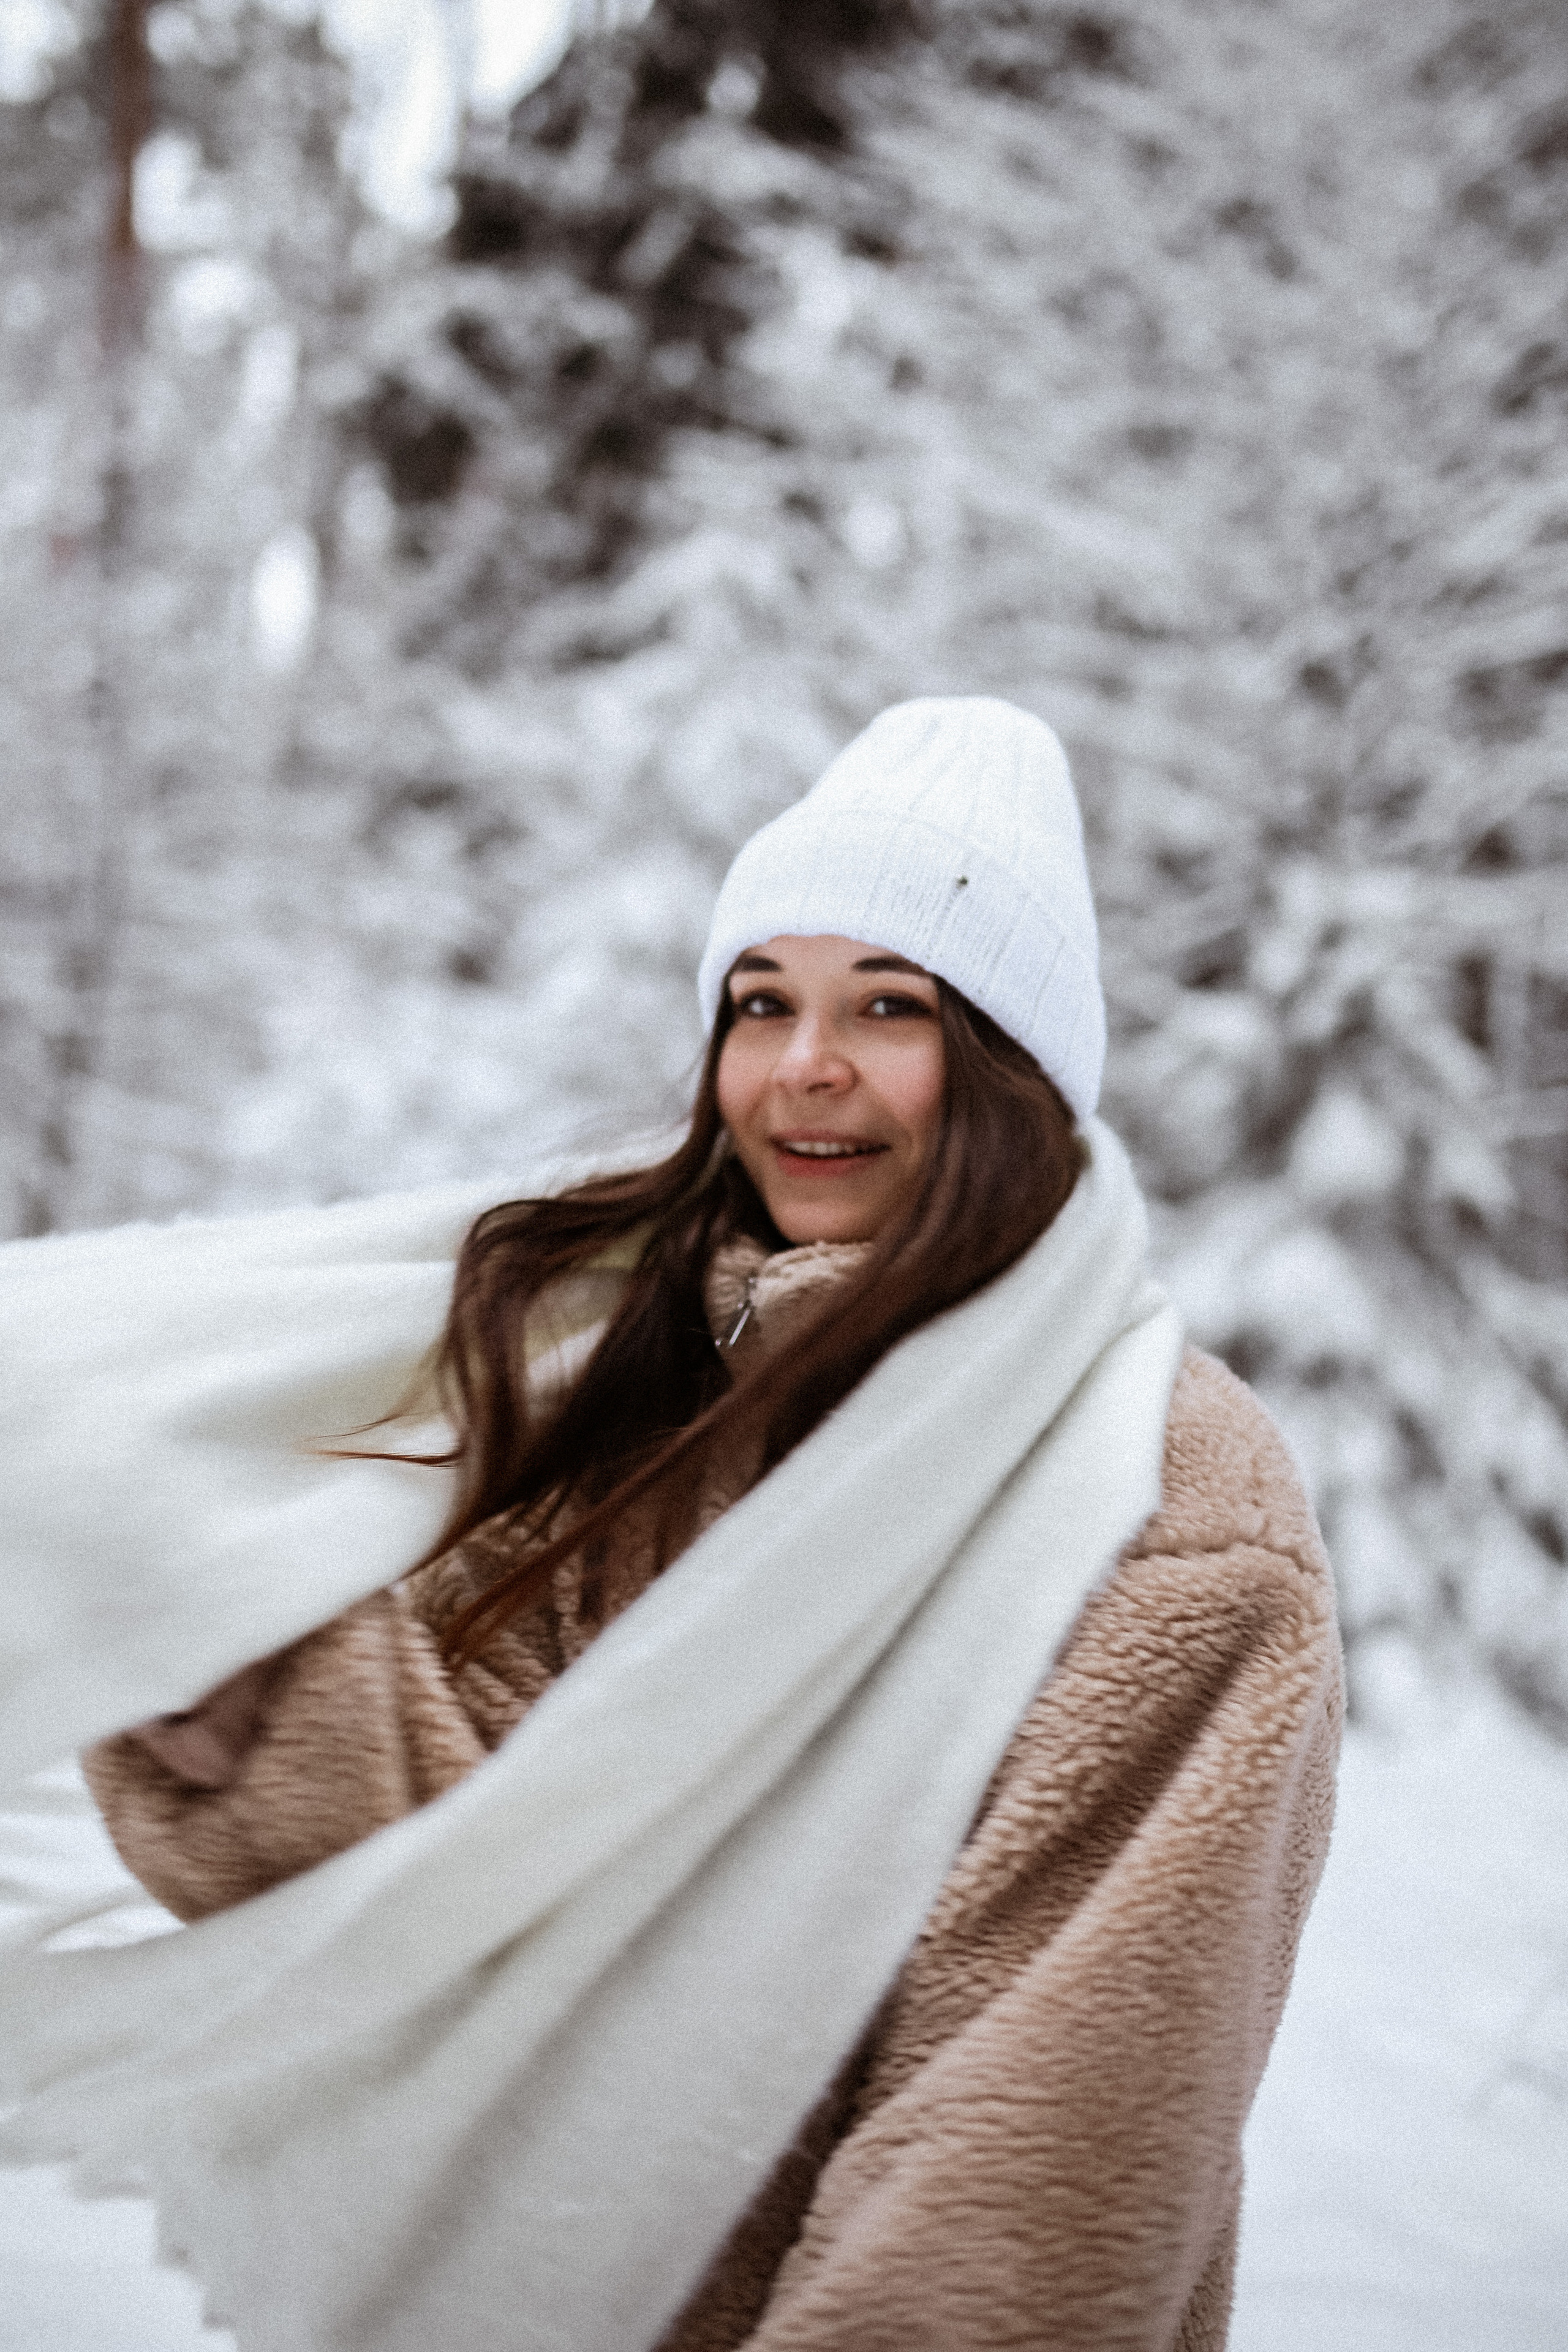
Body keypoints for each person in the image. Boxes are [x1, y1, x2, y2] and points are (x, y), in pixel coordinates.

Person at [17, 699, 1340, 2352]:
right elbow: (485, 1911)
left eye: (892, 1006)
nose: (806, 1062)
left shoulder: (1170, 1510)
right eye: (761, 999)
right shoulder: (643, 1404)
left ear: (1013, 1070)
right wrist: (254, 1668)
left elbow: (1030, 2164)